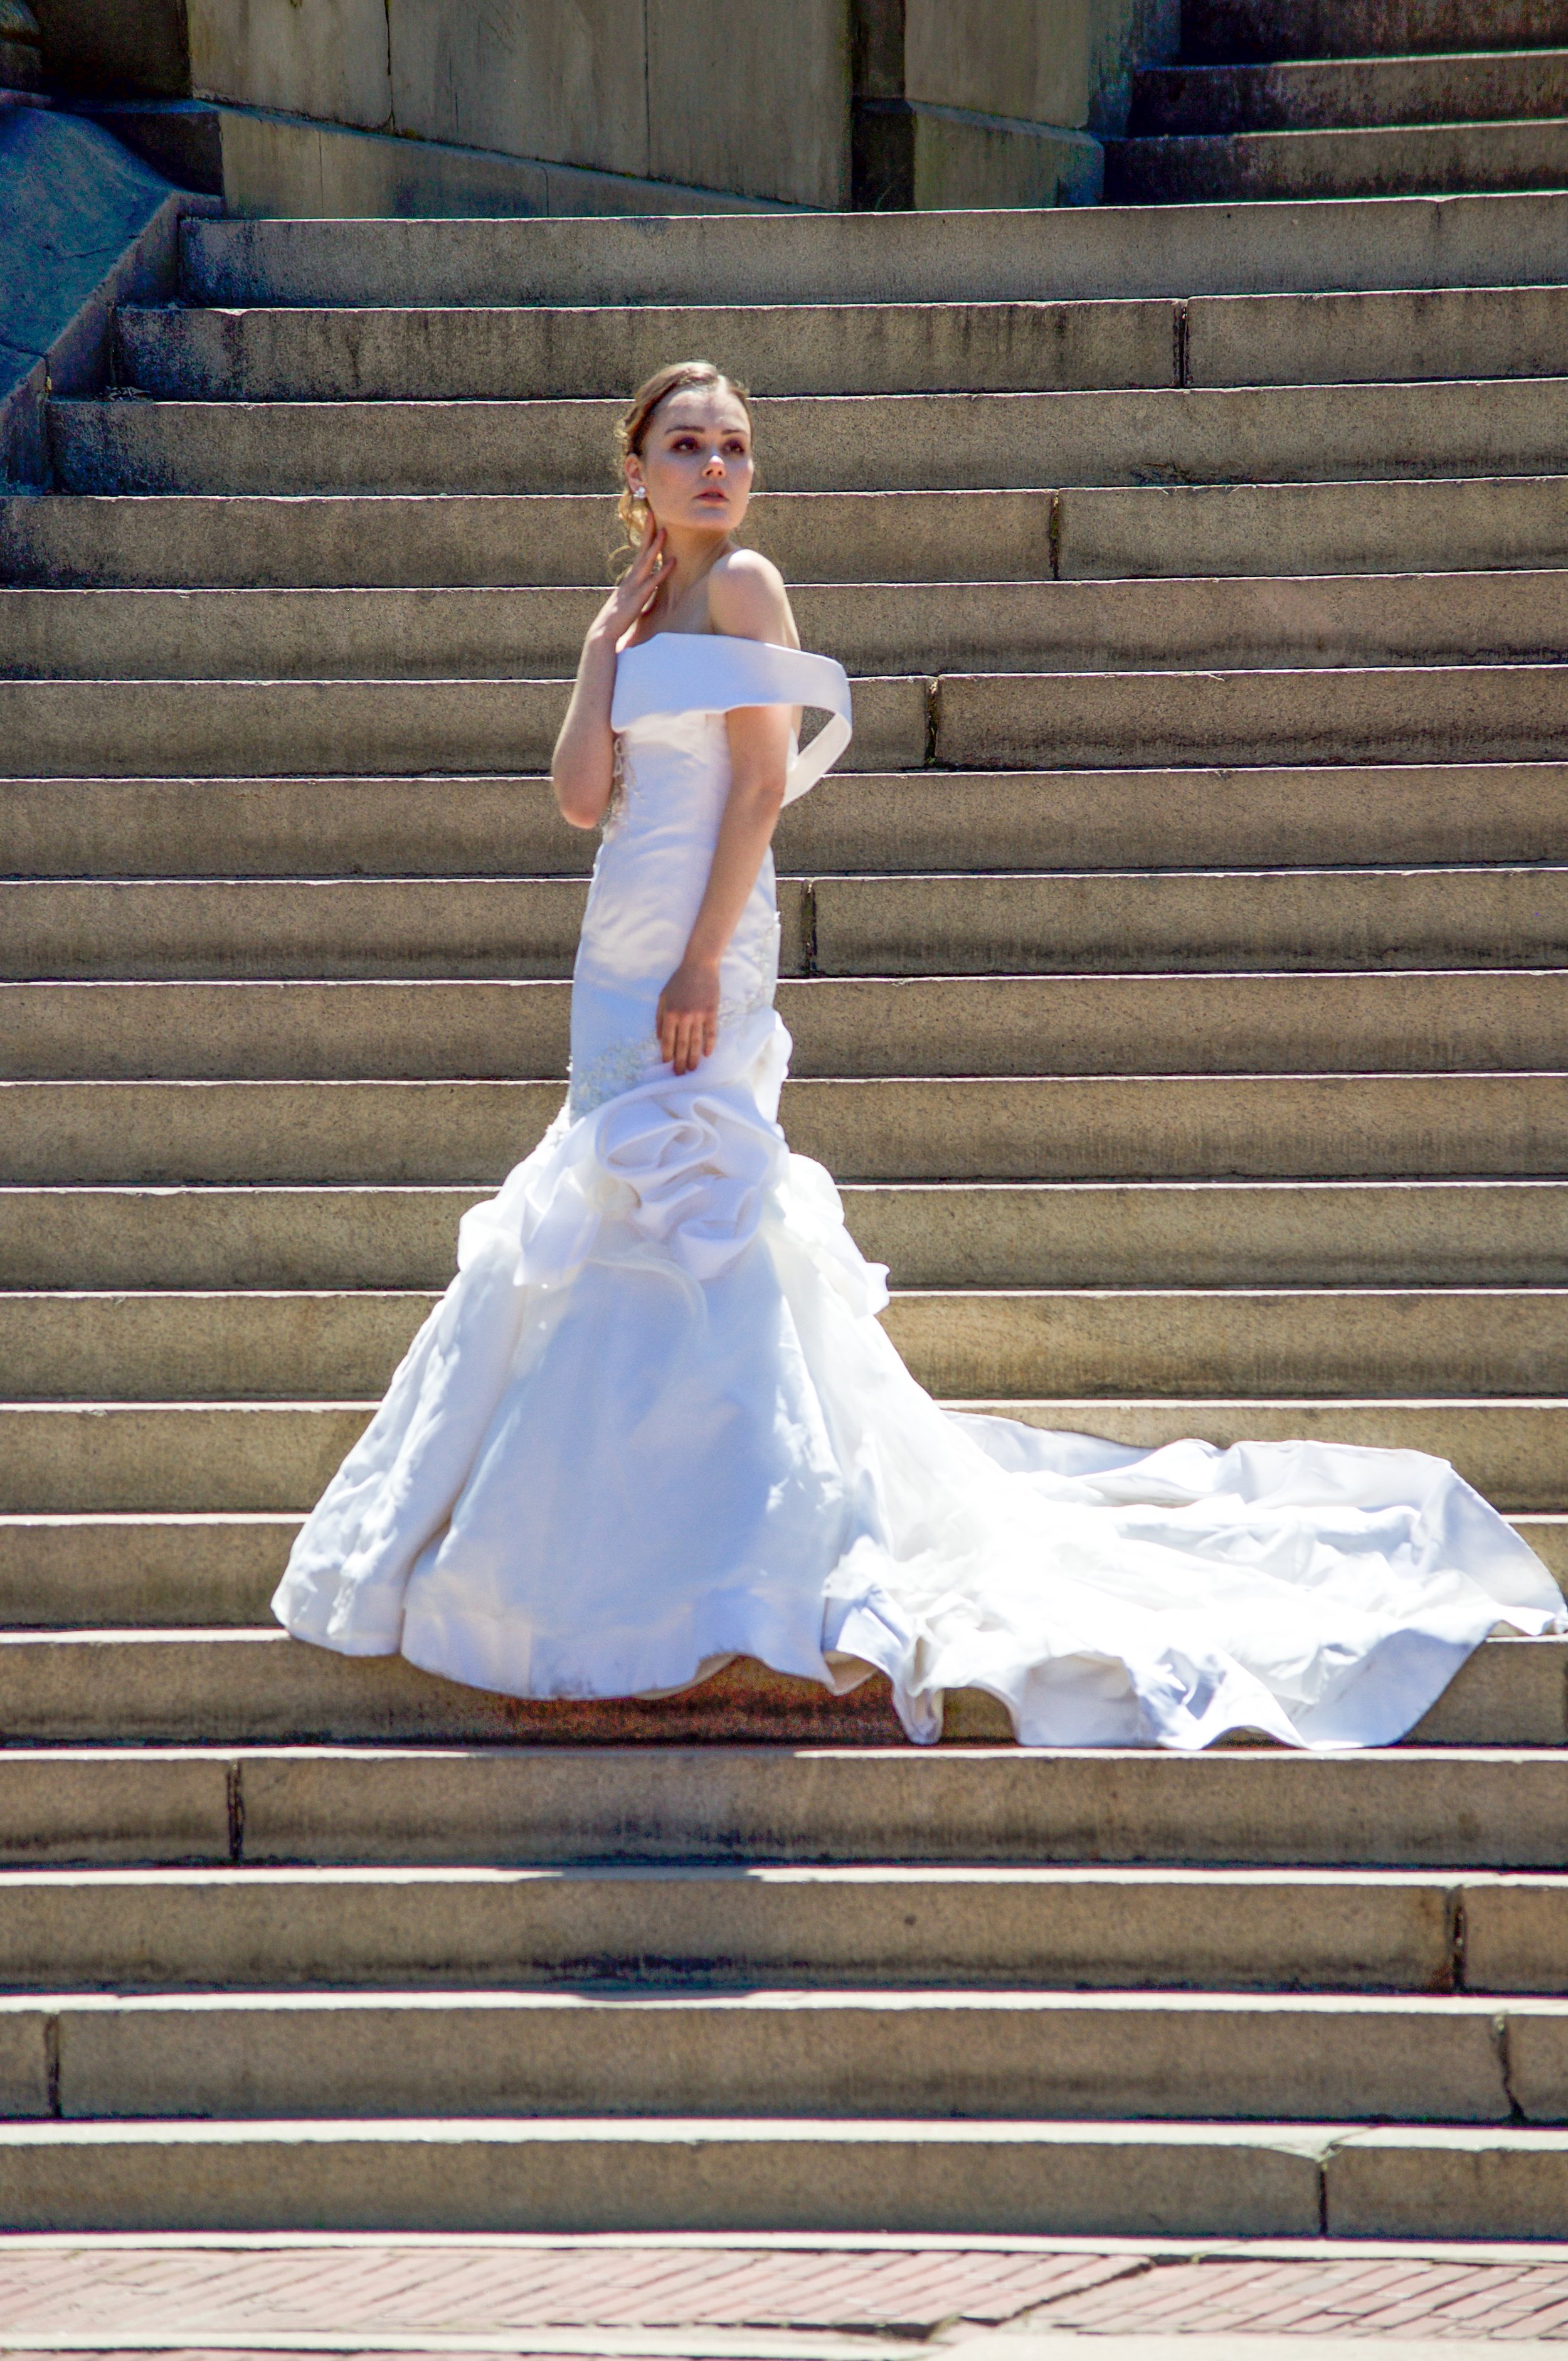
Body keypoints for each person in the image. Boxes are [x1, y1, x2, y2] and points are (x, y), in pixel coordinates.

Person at [274, 360, 1565, 1748]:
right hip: (613, 948)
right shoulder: (633, 615)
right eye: (686, 446)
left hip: (704, 931)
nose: (716, 466)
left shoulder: (749, 585)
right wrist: (598, 654)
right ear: (635, 469)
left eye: (735, 446)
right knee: (597, 1208)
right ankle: (621, 1572)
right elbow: (582, 797)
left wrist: (710, 957)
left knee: (698, 1208)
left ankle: (733, 1572)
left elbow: (762, 785)